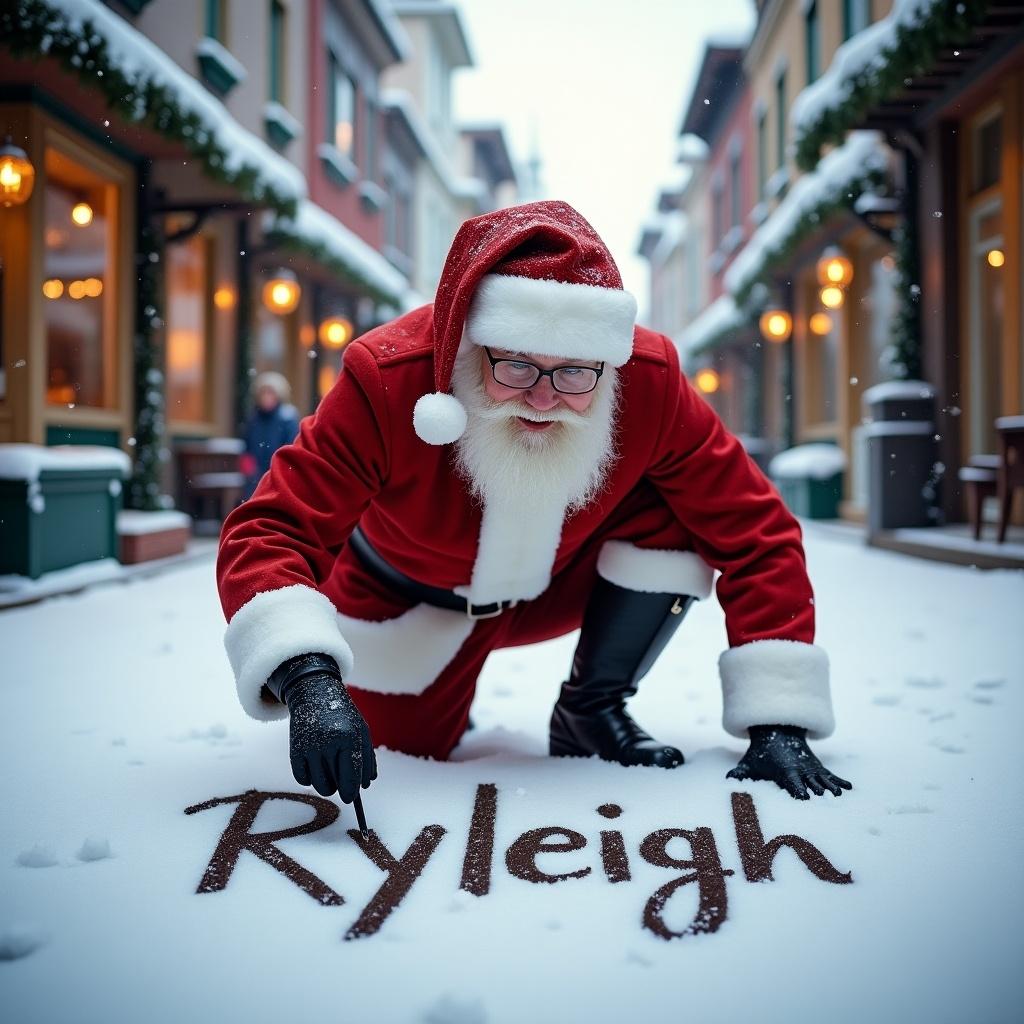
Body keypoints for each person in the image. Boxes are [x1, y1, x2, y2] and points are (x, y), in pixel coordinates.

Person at [216, 200, 851, 811]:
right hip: (404, 599)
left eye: (575, 372)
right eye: (516, 366)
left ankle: (593, 707)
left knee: (681, 520)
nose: (542, 399)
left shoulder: (647, 382)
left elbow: (756, 529)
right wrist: (307, 676)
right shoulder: (389, 378)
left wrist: (778, 719)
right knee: (398, 756)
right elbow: (269, 529)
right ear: (472, 345)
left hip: (559, 586)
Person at [239, 371, 301, 500]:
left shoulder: (287, 420)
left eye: (270, 392)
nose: (266, 397)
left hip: (278, 475)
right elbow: (247, 447)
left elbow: (291, 448)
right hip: (255, 476)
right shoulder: (254, 419)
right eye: (263, 392)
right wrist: (249, 468)